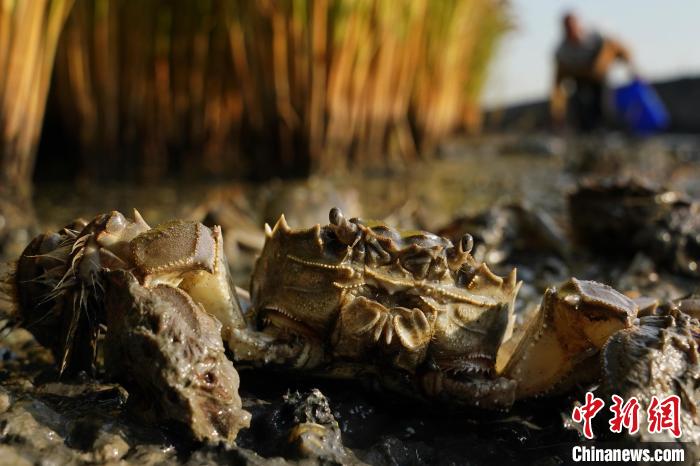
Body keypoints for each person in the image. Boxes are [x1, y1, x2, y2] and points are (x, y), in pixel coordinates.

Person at [550, 13, 633, 131]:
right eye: (568, 28)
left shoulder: (597, 38)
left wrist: (630, 67)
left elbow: (620, 50)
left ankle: (608, 130)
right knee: (581, 107)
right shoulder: (563, 52)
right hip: (580, 81)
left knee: (604, 106)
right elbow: (558, 84)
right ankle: (587, 133)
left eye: (573, 26)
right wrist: (557, 111)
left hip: (600, 78)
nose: (571, 30)